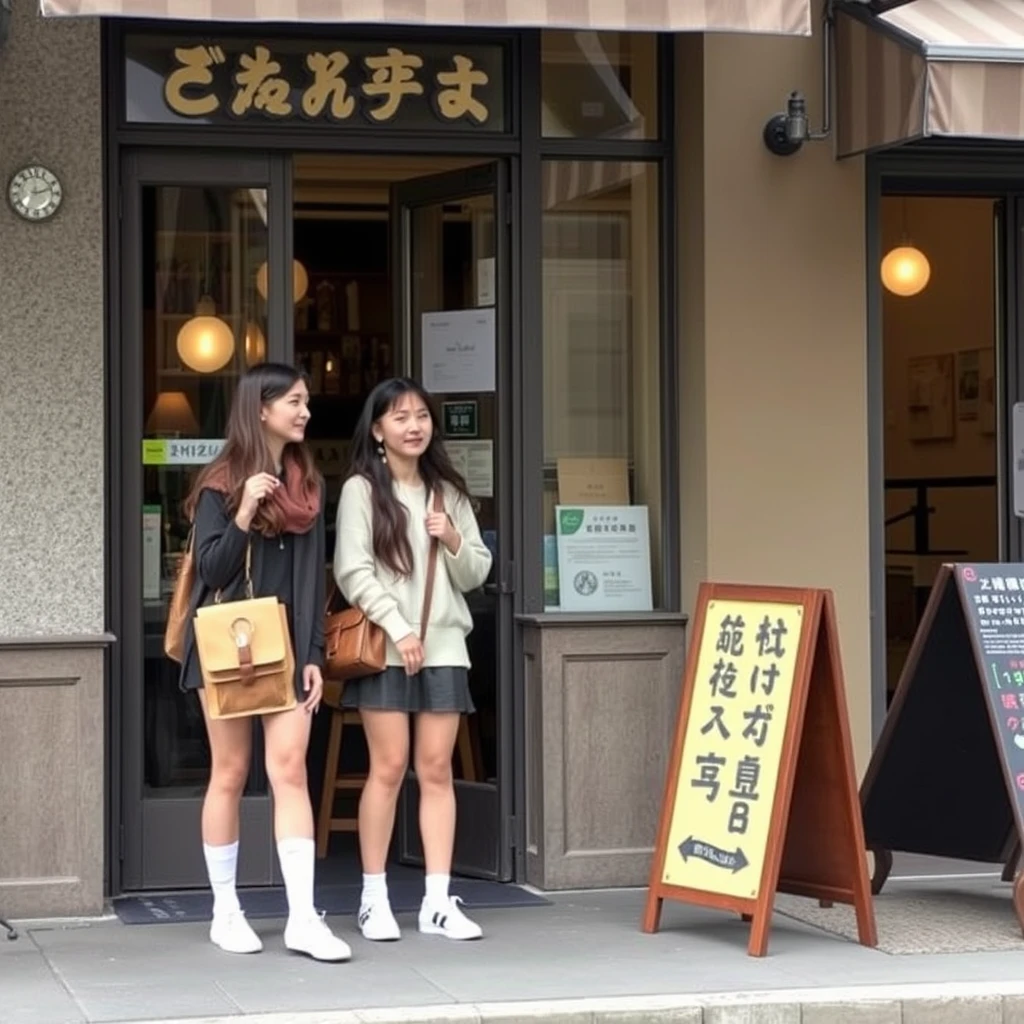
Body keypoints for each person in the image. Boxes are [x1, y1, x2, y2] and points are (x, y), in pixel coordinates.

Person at [179, 362, 351, 962]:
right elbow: (214, 570)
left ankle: (303, 917)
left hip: (287, 650)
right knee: (229, 771)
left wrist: (314, 655)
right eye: (294, 402)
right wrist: (245, 510)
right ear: (261, 409)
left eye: (306, 402)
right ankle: (226, 911)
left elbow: (311, 579)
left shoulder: (307, 483)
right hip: (225, 647)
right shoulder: (220, 483)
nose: (305, 412)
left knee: (291, 771)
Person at [335, 377, 492, 942]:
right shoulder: (360, 490)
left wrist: (451, 537)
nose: (414, 425)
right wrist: (398, 628)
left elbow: (477, 571)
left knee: (435, 771)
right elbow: (352, 571)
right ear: (378, 429)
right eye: (400, 417)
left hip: (445, 646)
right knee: (387, 767)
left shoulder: (448, 490)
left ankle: (436, 901)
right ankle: (373, 898)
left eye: (421, 415)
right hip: (384, 647)